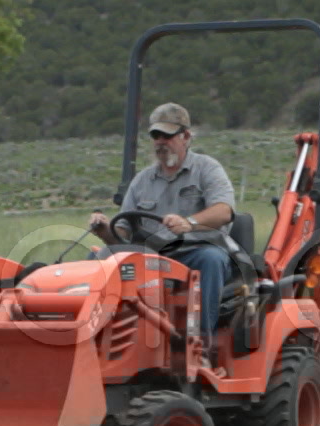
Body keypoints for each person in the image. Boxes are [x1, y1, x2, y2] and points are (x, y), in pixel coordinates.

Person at [88, 102, 236, 365]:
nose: (161, 142)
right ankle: (90, 337)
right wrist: (105, 230)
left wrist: (189, 222)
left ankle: (200, 347)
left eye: (168, 135)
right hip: (152, 257)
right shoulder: (142, 181)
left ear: (186, 136)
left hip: (194, 251)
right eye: (156, 136)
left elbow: (224, 211)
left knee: (211, 260)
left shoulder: (207, 169)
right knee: (99, 258)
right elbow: (121, 235)